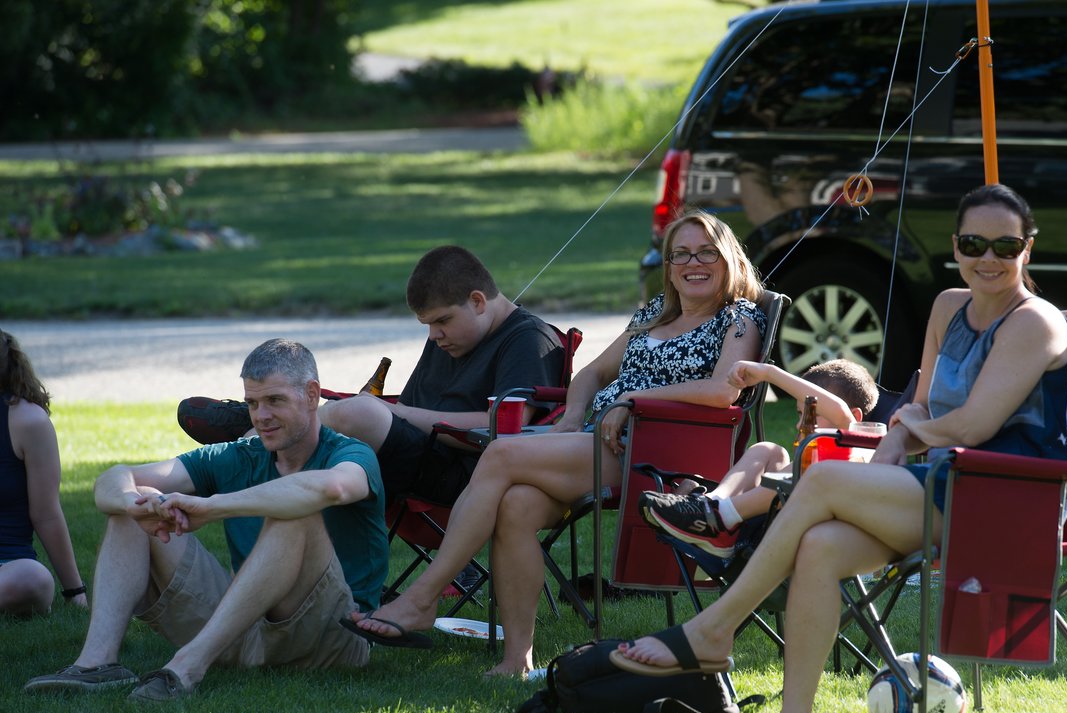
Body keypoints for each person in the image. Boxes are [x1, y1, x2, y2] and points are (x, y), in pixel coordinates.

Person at [611, 184, 1067, 713]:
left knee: (827, 477)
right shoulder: (948, 308)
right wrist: (893, 445)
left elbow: (970, 426)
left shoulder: (1037, 322)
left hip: (1009, 502)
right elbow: (923, 407)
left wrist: (905, 434)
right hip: (943, 487)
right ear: (955, 247)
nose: (988, 259)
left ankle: (714, 626)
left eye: (1005, 247)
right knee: (820, 546)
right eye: (975, 243)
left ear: (1027, 249)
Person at [341, 210, 769, 677]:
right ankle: (516, 660)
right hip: (602, 437)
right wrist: (568, 419)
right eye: (680, 254)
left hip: (659, 450)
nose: (693, 263)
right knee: (517, 504)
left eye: (706, 252)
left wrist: (631, 397)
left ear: (728, 258)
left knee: (501, 453)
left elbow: (724, 391)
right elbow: (590, 373)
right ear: (667, 265)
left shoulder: (738, 318)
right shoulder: (652, 316)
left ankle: (422, 599)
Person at [23, 339, 389, 701]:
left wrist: (214, 506)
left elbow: (333, 489)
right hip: (240, 631)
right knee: (139, 503)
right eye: (252, 403)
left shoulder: (349, 452)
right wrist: (132, 503)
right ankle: (97, 664)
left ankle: (187, 666)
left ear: (312, 396)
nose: (261, 416)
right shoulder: (238, 456)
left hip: (332, 638)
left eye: (275, 401)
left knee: (293, 511)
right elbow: (114, 476)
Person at [178, 246, 565, 513]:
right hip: (414, 453)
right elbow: (409, 411)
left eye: (442, 320)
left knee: (361, 413)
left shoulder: (529, 339)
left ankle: (247, 442)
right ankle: (259, 441)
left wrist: (385, 411)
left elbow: (505, 428)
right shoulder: (455, 337)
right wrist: (385, 411)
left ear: (478, 301)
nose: (433, 335)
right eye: (427, 324)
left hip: (465, 473)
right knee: (355, 413)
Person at [638, 358, 879, 558]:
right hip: (767, 526)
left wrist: (769, 372)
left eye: (812, 414)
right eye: (800, 413)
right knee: (770, 450)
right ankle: (711, 505)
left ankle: (715, 516)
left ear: (855, 418)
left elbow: (840, 414)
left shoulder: (856, 449)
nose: (800, 423)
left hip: (814, 537)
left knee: (810, 464)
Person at [0, 330, 86, 616]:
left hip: (8, 568)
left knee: (32, 579)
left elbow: (46, 514)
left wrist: (75, 592)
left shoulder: (26, 420)